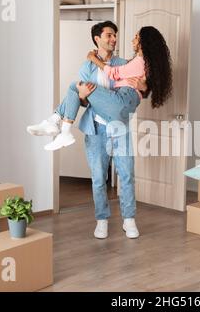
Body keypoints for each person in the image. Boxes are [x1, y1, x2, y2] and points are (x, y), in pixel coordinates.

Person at [27, 22, 172, 239]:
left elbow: (139, 83)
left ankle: (129, 220)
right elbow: (81, 101)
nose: (114, 39)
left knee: (127, 175)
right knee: (97, 177)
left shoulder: (123, 62)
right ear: (98, 39)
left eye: (115, 35)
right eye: (109, 35)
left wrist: (146, 87)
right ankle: (101, 220)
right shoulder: (87, 67)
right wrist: (84, 96)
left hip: (119, 127)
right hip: (95, 128)